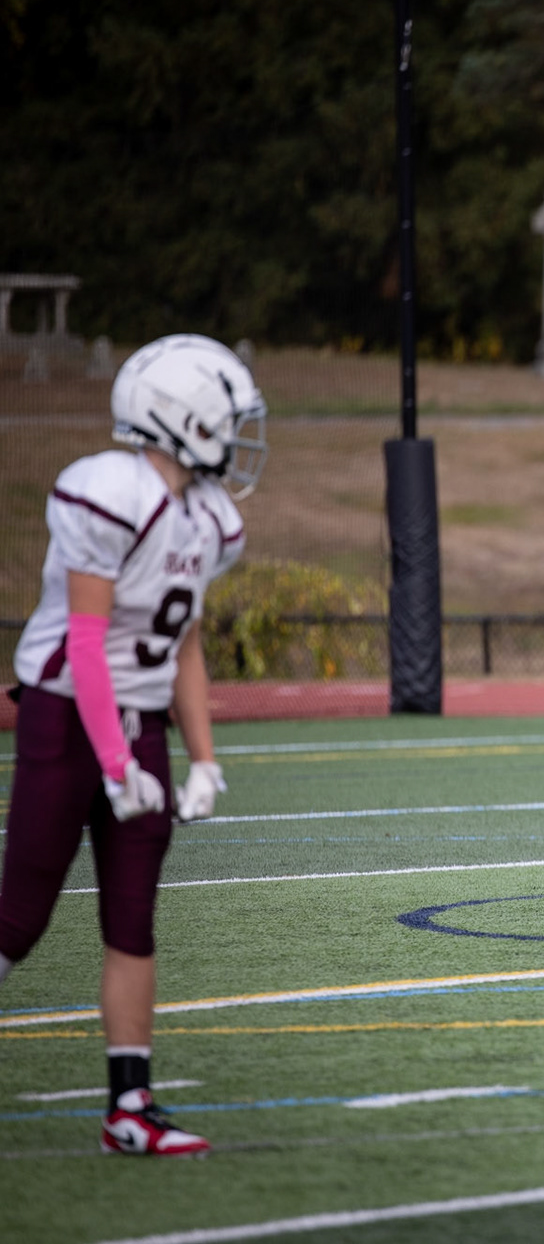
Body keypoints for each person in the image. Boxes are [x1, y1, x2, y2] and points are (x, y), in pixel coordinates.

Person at [0, 334, 266, 1156]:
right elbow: (86, 642)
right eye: (227, 417)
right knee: (22, 913)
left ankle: (129, 1104)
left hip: (137, 723)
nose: (239, 433)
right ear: (180, 417)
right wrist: (115, 762)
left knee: (132, 918)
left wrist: (205, 758)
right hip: (68, 714)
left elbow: (182, 643)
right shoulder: (107, 492)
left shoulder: (207, 517)